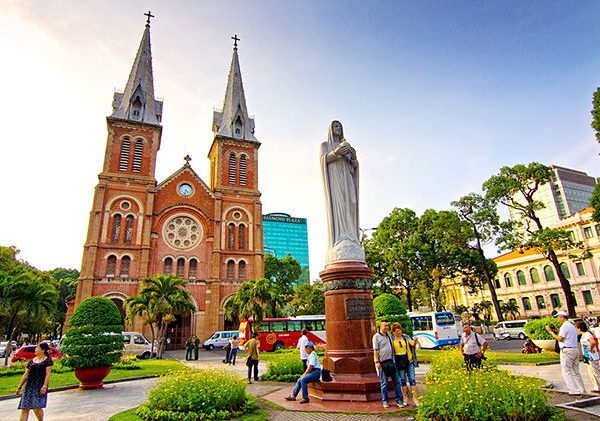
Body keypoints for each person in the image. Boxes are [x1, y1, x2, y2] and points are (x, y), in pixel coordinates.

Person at [320, 120, 364, 263]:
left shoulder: (347, 145)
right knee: (340, 206)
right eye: (335, 126)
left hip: (347, 179)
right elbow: (322, 160)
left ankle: (352, 236)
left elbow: (354, 166)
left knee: (352, 202)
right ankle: (341, 236)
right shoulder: (325, 145)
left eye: (339, 126)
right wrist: (335, 153)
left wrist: (354, 158)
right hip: (335, 183)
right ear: (330, 129)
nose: (337, 128)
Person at [546, 311, 586, 396]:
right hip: (574, 349)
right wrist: (557, 330)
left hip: (567, 350)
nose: (558, 319)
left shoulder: (564, 326)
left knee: (566, 371)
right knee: (576, 371)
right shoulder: (571, 325)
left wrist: (551, 332)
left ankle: (574, 390)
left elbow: (560, 338)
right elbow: (566, 335)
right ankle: (582, 389)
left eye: (558, 317)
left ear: (562, 317)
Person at [16, 342, 53, 421]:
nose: (35, 349)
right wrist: (19, 387)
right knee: (25, 408)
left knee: (36, 407)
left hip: (39, 386)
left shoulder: (48, 361)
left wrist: (44, 386)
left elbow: (47, 375)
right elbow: (26, 374)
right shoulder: (32, 361)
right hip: (29, 386)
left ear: (43, 350)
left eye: (37, 348)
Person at [373, 320, 405, 408]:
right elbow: (375, 350)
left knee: (397, 382)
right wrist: (377, 361)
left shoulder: (389, 336)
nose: (387, 327)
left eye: (388, 326)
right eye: (385, 326)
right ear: (381, 327)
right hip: (383, 363)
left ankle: (399, 400)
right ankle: (385, 401)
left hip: (391, 361)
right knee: (384, 383)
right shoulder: (376, 337)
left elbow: (398, 338)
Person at [391, 323, 420, 406]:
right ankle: (405, 397)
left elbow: (412, 344)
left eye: (400, 330)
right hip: (399, 362)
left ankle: (415, 398)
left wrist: (414, 340)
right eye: (397, 331)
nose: (399, 332)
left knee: (412, 379)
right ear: (393, 332)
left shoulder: (405, 337)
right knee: (402, 380)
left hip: (408, 361)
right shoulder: (392, 339)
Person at [576, 321, 600, 393]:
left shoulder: (587, 334)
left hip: (592, 355)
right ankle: (597, 387)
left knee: (596, 372)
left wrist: (591, 349)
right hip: (588, 356)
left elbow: (592, 342)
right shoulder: (583, 335)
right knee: (591, 372)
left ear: (579, 328)